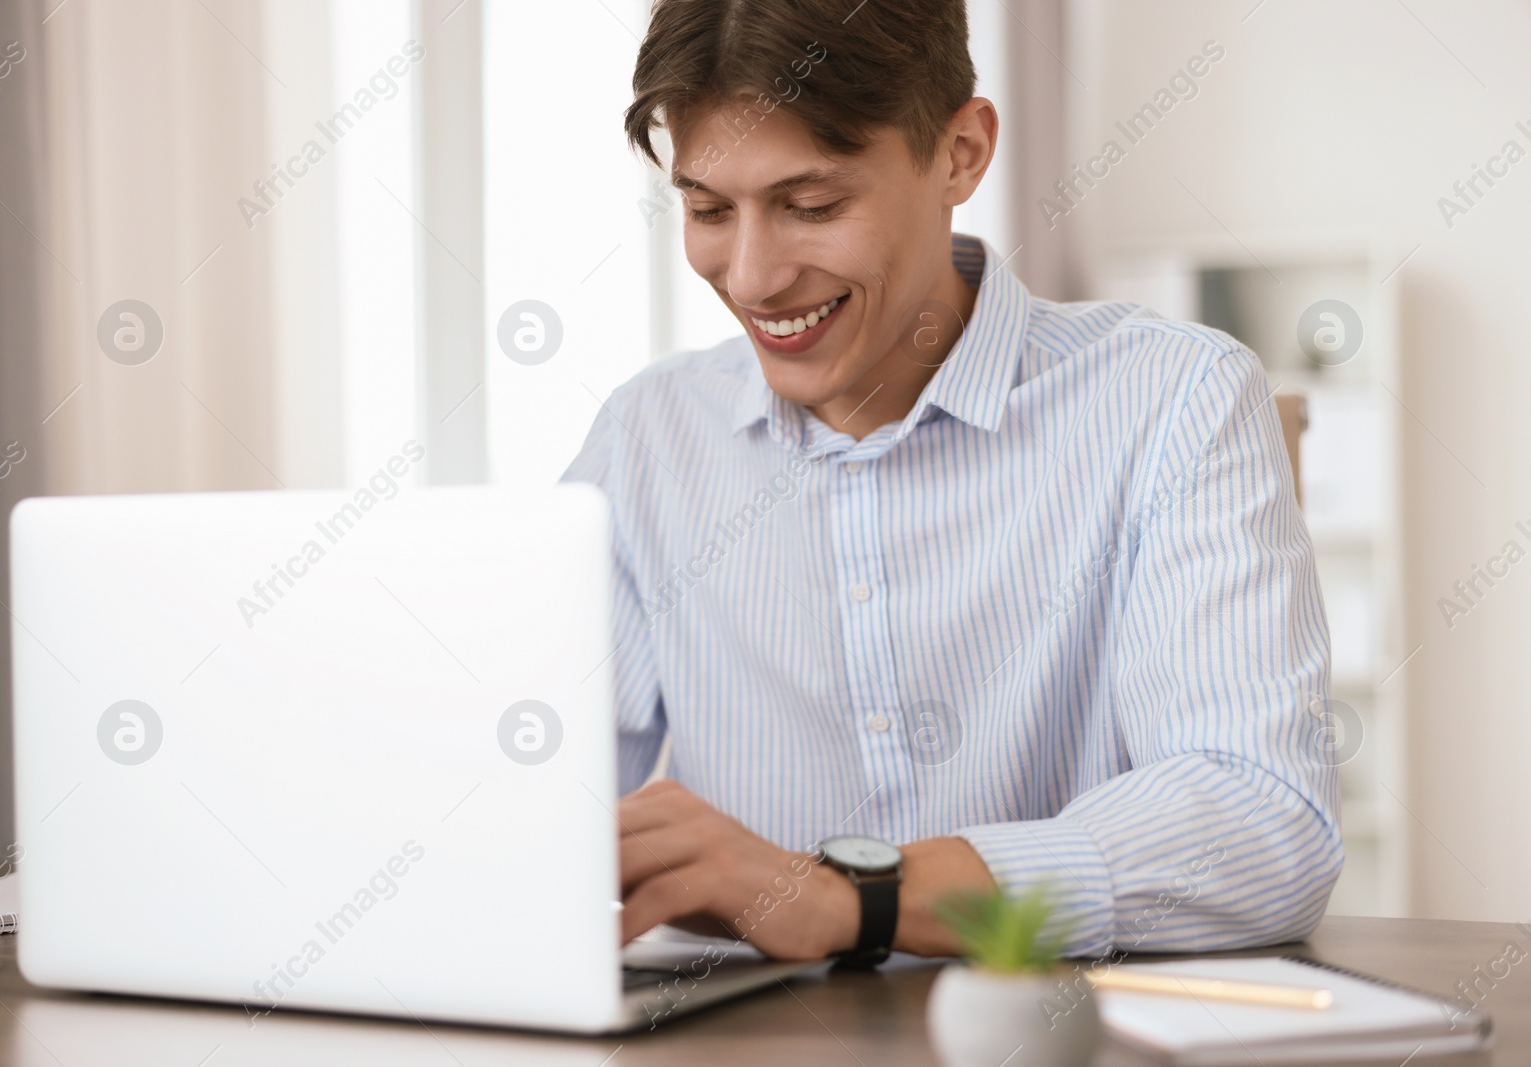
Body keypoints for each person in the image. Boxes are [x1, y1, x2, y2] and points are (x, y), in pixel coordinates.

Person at [562, 0, 1340, 966]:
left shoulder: (1173, 398)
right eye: (709, 209)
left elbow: (1262, 823)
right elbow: (527, 807)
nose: (754, 277)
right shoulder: (646, 438)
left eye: (812, 206)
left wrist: (850, 897)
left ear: (962, 154)